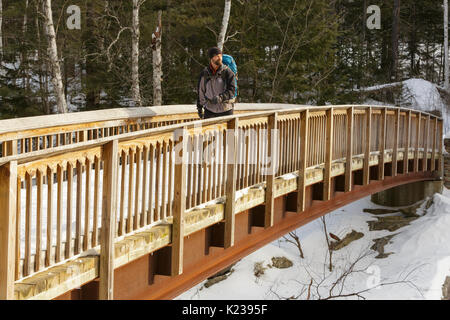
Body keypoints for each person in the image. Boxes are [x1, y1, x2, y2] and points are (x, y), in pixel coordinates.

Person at [197, 47, 237, 119]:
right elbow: (200, 92)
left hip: (226, 110)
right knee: (208, 130)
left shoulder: (228, 72)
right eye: (217, 56)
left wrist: (220, 98)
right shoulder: (204, 74)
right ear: (211, 58)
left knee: (229, 131)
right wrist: (199, 108)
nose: (220, 58)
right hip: (209, 111)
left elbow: (232, 90)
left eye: (220, 56)